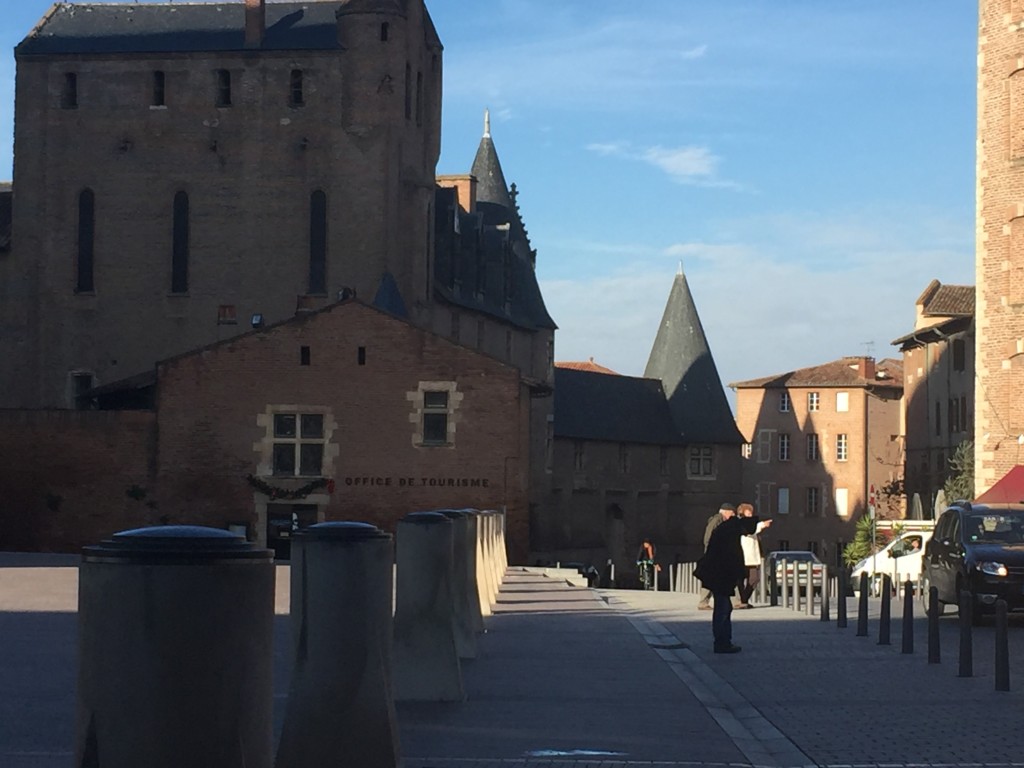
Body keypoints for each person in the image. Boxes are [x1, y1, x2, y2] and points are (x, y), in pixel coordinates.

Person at [694, 508, 766, 653]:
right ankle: (722, 643)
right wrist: (737, 573)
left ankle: (723, 641)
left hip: (717, 572)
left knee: (724, 607)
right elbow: (731, 556)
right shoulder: (731, 532)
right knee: (723, 608)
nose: (746, 535)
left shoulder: (728, 528)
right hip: (720, 573)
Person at [697, 503, 735, 610]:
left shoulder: (718, 520)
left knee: (711, 578)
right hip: (714, 555)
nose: (732, 516)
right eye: (732, 513)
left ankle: (705, 601)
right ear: (726, 512)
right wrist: (711, 551)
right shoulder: (717, 520)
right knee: (711, 578)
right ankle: (703, 602)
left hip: (714, 554)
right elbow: (708, 537)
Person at [736, 502, 772, 608]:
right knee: (741, 579)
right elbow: (751, 530)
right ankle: (743, 600)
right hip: (744, 556)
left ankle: (744, 599)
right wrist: (762, 525)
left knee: (754, 578)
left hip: (751, 556)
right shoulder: (740, 523)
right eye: (748, 512)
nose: (751, 515)